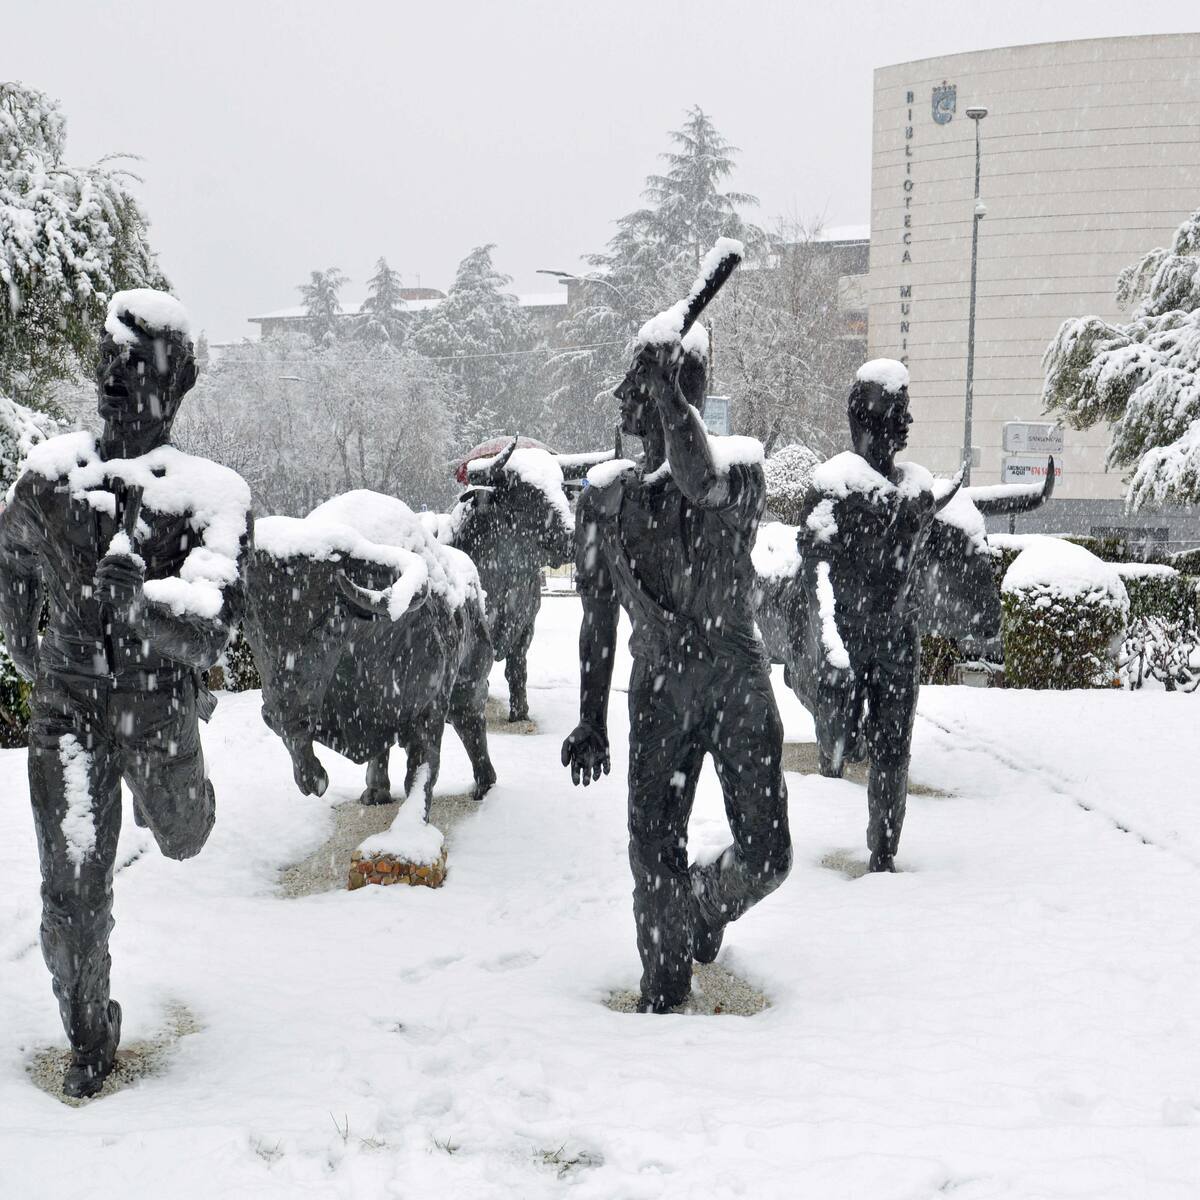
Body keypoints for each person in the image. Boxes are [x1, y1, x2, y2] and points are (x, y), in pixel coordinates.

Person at [0, 289, 252, 1097]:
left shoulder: (210, 495)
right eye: (106, 360)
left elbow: (215, 624)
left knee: (178, 836)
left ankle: (180, 801)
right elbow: (6, 556)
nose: (113, 377)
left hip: (155, 706)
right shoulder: (50, 476)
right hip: (68, 709)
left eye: (134, 365)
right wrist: (26, 644)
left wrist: (141, 607)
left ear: (172, 385)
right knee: (71, 892)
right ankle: (88, 1032)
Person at [562, 327, 791, 1013]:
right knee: (652, 850)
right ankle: (662, 991)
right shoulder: (603, 500)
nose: (626, 400)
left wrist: (670, 401)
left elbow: (700, 481)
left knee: (767, 859)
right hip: (660, 690)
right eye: (638, 386)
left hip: (737, 683)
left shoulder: (741, 469)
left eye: (647, 387)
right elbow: (599, 618)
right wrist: (589, 719)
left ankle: (702, 902)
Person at [794, 359, 950, 872]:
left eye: (906, 410)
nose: (905, 423)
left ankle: (884, 850)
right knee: (839, 747)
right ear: (866, 417)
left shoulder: (917, 489)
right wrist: (830, 649)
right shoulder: (835, 488)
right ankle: (840, 749)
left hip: (900, 641)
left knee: (894, 750)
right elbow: (813, 575)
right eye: (896, 410)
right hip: (850, 636)